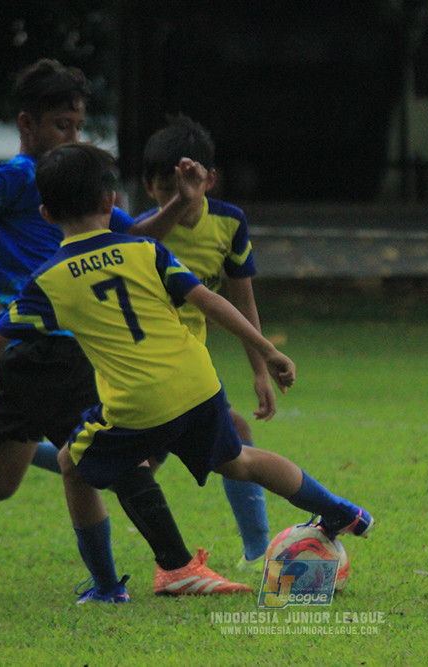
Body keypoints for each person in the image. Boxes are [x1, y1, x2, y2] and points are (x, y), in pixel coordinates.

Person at [0, 59, 250, 602]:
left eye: (78, 126)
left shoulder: (76, 181)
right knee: (113, 457)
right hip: (47, 348)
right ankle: (174, 567)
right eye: (62, 125)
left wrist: (181, 202)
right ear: (26, 124)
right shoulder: (15, 178)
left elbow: (138, 235)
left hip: (34, 355)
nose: (72, 136)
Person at [0, 143, 374, 599]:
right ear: (110, 202)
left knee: (71, 465)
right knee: (239, 461)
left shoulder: (47, 282)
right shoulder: (145, 250)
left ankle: (106, 588)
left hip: (137, 403)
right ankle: (342, 511)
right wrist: (267, 350)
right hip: (198, 383)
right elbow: (209, 301)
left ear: (45, 214)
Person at [136, 113, 272, 572]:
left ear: (208, 179)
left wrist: (260, 369)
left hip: (191, 358)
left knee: (132, 462)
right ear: (149, 187)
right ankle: (255, 553)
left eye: (185, 185)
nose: (176, 196)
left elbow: (242, 300)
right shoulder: (142, 233)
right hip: (151, 360)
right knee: (231, 435)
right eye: (164, 187)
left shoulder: (229, 223)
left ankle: (21, 455)